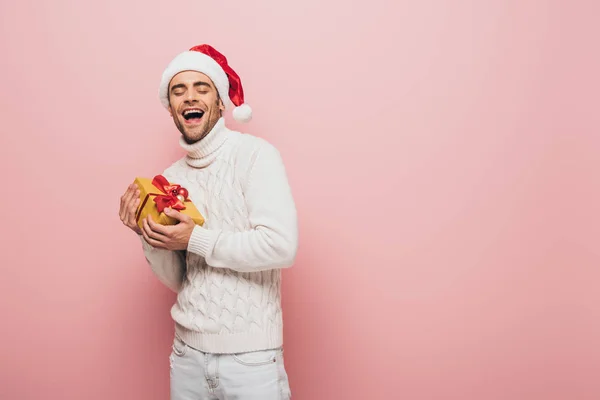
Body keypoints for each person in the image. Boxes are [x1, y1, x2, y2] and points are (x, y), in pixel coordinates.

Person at [118, 44, 298, 400]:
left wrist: (195, 238)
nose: (190, 97)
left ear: (219, 102)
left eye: (202, 87)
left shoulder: (255, 155)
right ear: (171, 108)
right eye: (178, 90)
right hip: (187, 357)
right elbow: (180, 279)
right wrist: (148, 235)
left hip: (251, 362)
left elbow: (281, 246)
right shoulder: (169, 178)